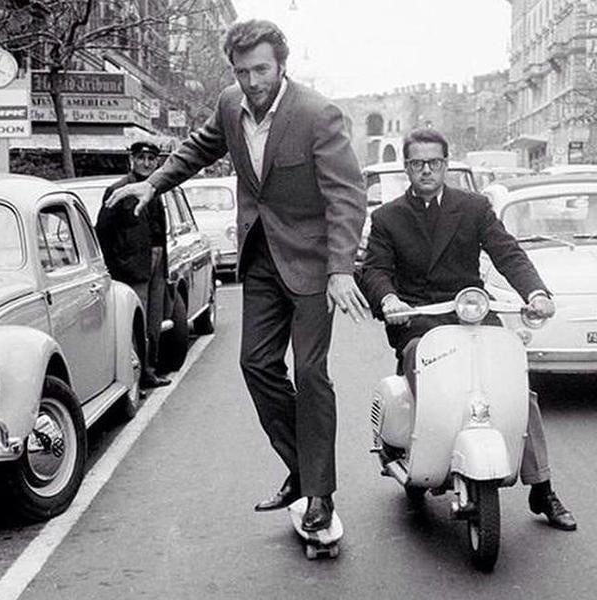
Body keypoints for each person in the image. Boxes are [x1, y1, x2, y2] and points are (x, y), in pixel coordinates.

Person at [104, 20, 368, 531]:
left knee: (311, 375)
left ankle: (319, 494)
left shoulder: (317, 114)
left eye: (261, 70)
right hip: (262, 259)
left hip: (313, 264)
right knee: (256, 365)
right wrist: (153, 185)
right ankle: (302, 467)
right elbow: (201, 147)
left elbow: (346, 196)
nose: (252, 82)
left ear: (281, 65)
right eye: (243, 71)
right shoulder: (229, 104)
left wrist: (340, 269)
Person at [361, 128, 576, 531]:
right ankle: (422, 456)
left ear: (446, 164)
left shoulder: (474, 208)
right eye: (417, 163)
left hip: (471, 314)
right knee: (425, 377)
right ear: (406, 167)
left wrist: (535, 292)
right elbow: (374, 269)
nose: (426, 170)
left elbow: (507, 252)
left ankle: (542, 487)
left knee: (515, 389)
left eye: (435, 162)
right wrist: (389, 300)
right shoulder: (387, 217)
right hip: (419, 320)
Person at [95, 141, 171, 389]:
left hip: (157, 262)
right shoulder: (119, 190)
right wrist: (117, 265)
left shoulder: (156, 189)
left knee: (154, 321)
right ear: (132, 160)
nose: (146, 163)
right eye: (141, 158)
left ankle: (150, 370)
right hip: (132, 266)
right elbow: (103, 232)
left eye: (151, 159)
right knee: (136, 321)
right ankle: (134, 376)